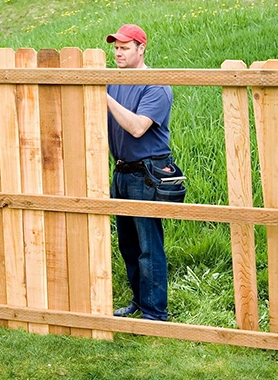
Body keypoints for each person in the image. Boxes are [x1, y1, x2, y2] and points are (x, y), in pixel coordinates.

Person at [106, 24, 186, 321]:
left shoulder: (156, 85)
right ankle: (140, 302)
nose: (118, 53)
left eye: (125, 48)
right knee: (128, 245)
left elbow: (138, 127)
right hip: (122, 172)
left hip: (147, 172)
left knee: (148, 247)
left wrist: (104, 96)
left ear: (141, 49)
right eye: (116, 47)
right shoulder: (113, 83)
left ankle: (155, 313)